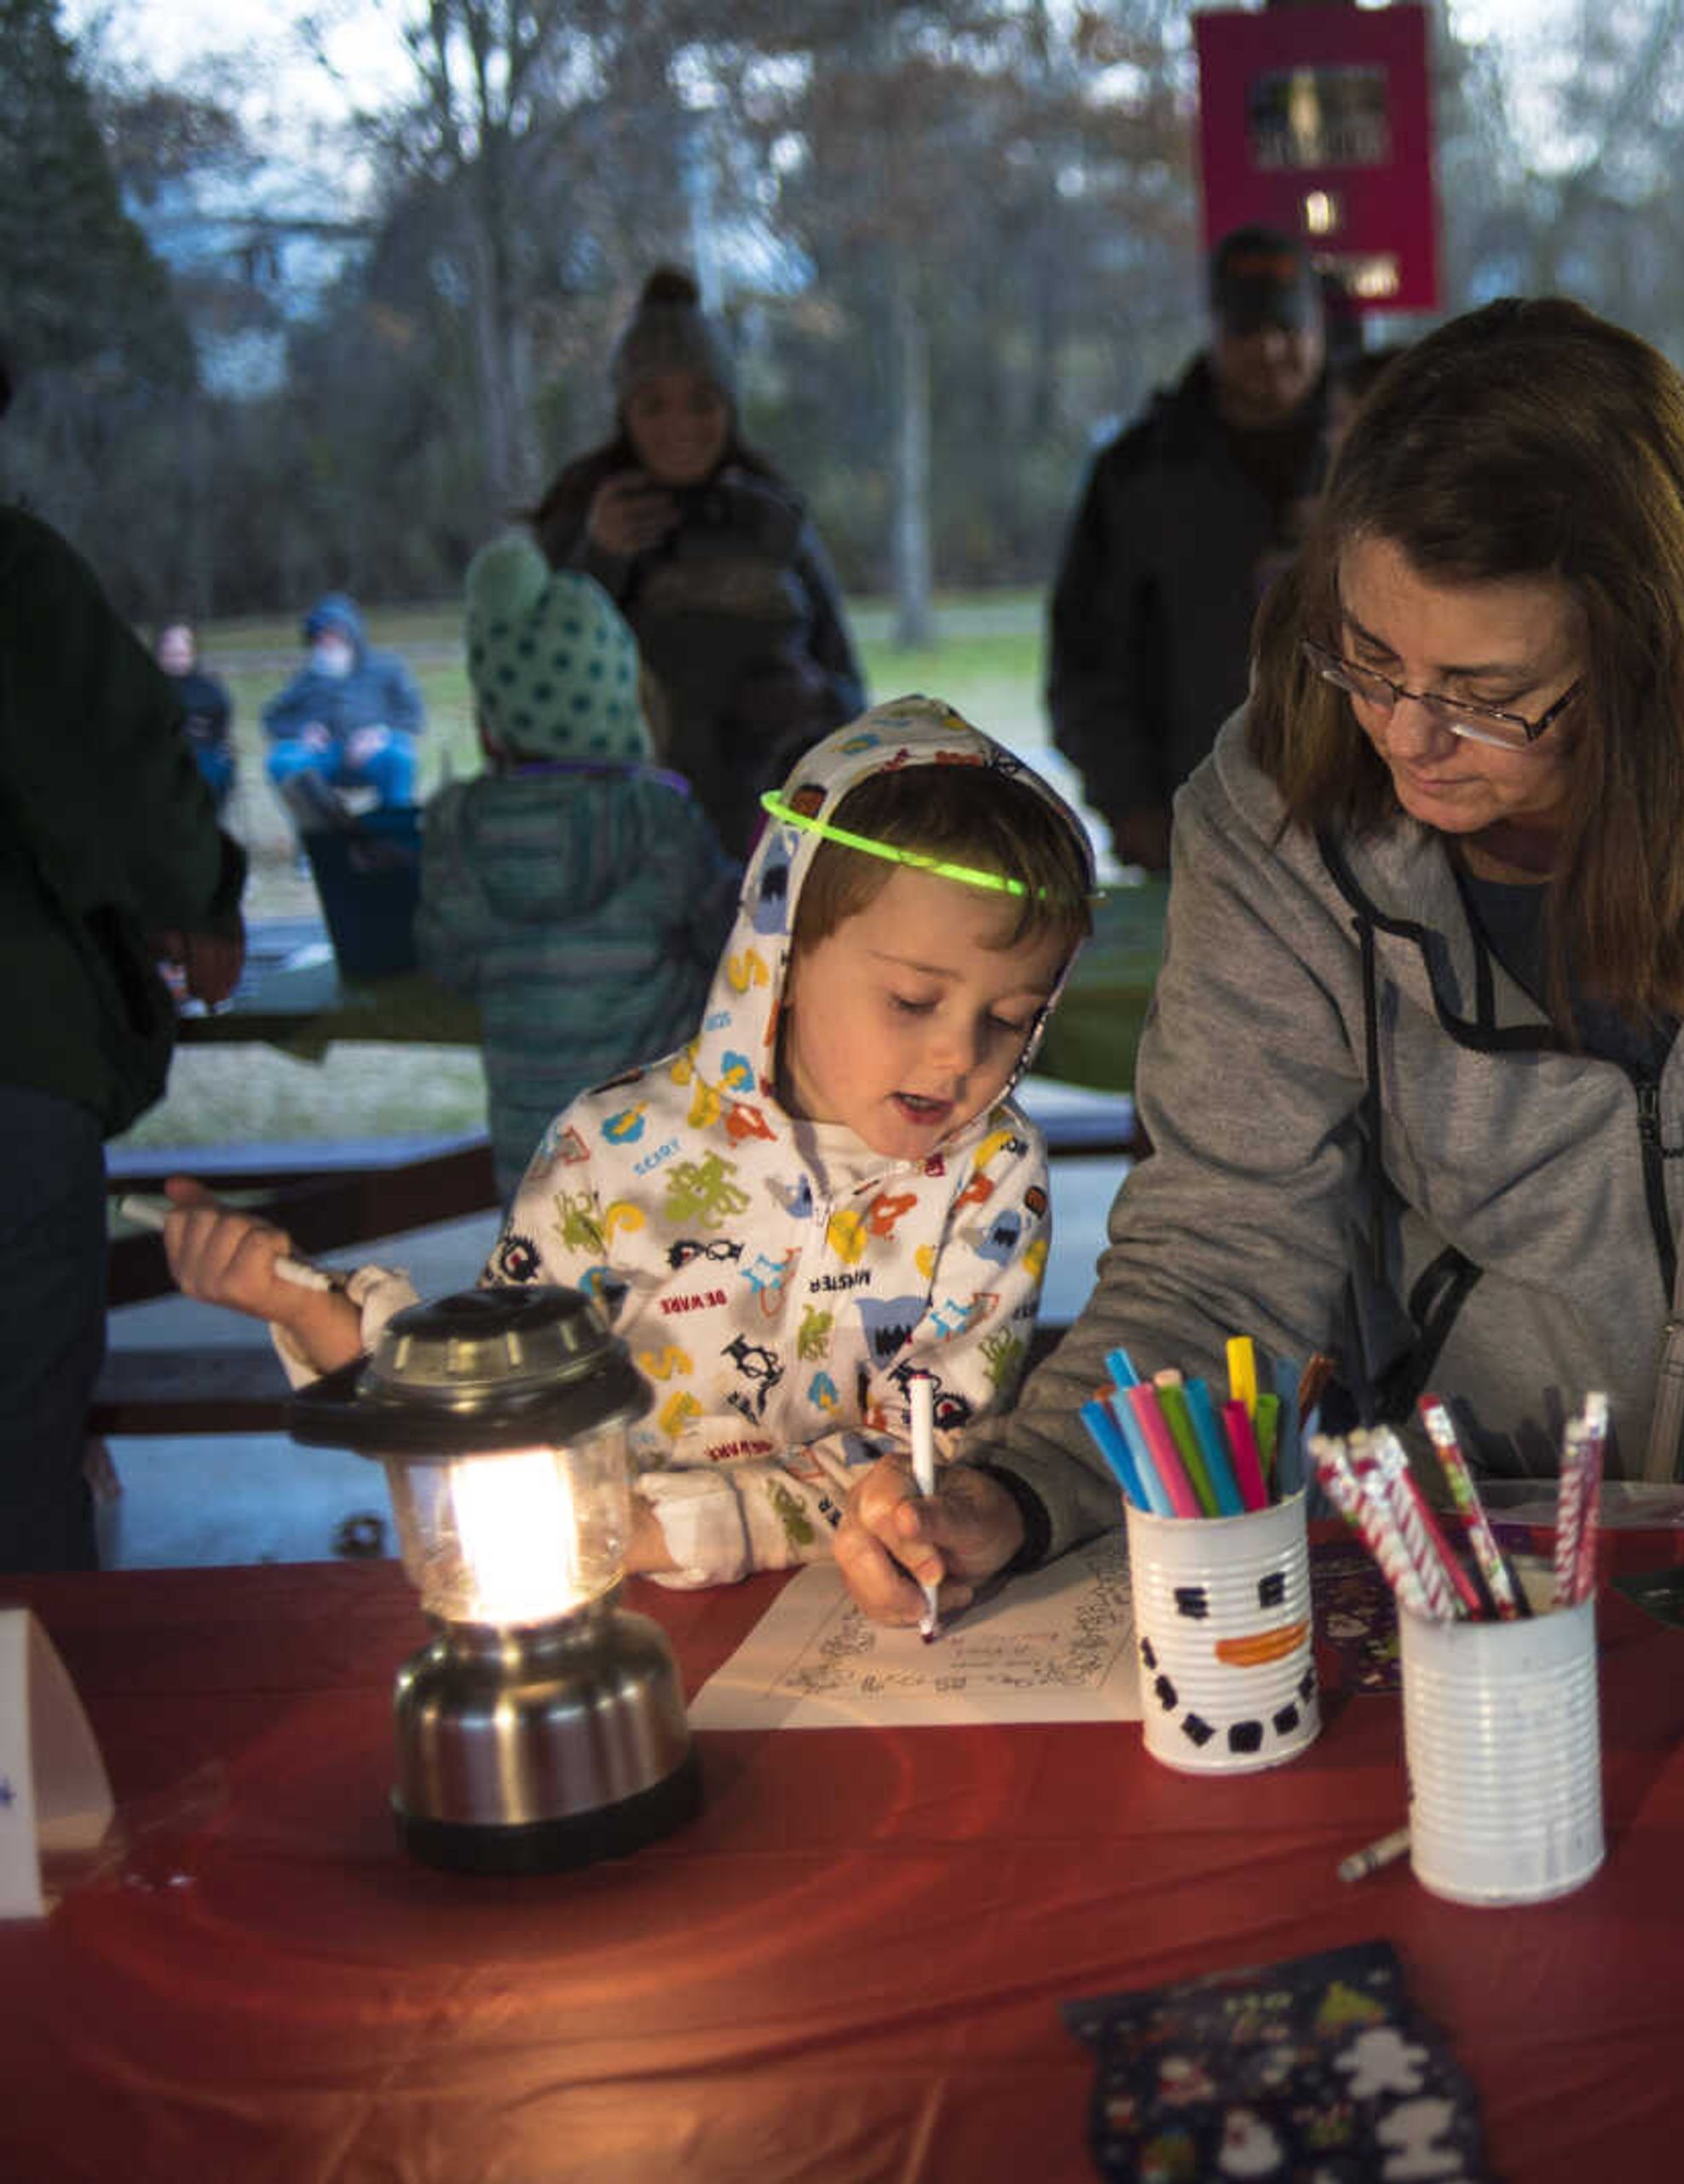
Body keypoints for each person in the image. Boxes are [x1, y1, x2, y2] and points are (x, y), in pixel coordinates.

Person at [833, 297, 1684, 1628]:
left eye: (1491, 696)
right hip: (1465, 1522)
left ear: (1657, 663)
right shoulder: (1276, 809)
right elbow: (1221, 1244)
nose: (1407, 735)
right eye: (1369, 655)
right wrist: (1026, 1488)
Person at [157, 700, 1093, 1588]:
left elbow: (931, 1464)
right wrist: (309, 1308)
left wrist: (668, 1530)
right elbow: (500, 1386)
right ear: (781, 948)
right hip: (602, 1604)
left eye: (1010, 1019)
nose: (958, 1052)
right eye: (913, 1000)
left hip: (858, 1630)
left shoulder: (993, 1178)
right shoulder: (609, 1148)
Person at [0, 355, 248, 1570]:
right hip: (13, 1058)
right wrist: (194, 895)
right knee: (15, 1446)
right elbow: (112, 759)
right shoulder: (14, 575)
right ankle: (22, 1741)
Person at [417, 534, 737, 1189]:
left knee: (551, 1291)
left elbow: (448, 959)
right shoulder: (658, 819)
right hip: (665, 1158)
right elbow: (729, 946)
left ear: (492, 721)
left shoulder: (460, 828)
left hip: (539, 1169)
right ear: (621, 700)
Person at [531, 267, 868, 855]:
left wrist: (812, 699)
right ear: (624, 413)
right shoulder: (580, 515)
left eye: (701, 402)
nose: (680, 426)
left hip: (774, 833)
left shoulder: (774, 521)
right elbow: (533, 692)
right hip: (626, 839)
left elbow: (852, 696)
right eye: (654, 405)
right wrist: (598, 558)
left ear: (730, 407)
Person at [1046, 224, 1333, 876]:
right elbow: (1084, 655)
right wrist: (1128, 803)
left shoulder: (1374, 449)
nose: (1270, 350)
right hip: (1197, 821)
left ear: (1318, 325)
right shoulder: (1139, 472)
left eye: (1288, 329)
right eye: (1247, 331)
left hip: (1368, 813)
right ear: (1214, 331)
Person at [261, 591, 425, 817]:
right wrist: (303, 731)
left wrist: (379, 733)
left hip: (374, 751)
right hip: (322, 755)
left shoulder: (386, 667)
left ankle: (395, 834)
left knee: (399, 757)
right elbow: (272, 718)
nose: (328, 642)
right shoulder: (306, 677)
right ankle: (318, 835)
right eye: (321, 637)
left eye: (335, 635)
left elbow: (413, 714)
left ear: (352, 635)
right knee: (284, 762)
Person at [157, 622, 236, 810]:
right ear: (161, 657)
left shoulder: (209, 689)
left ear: (192, 655)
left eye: (182, 655)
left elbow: (220, 723)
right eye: (171, 655)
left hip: (205, 751)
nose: (177, 661)